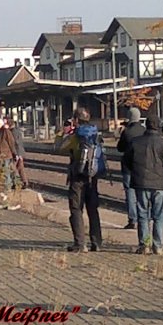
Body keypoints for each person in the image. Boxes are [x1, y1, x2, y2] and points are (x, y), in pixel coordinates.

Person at [123, 115, 163, 254]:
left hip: (140, 183)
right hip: (160, 184)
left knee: (142, 214)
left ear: (146, 125)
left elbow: (127, 161)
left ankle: (144, 244)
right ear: (159, 126)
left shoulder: (135, 142)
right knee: (159, 215)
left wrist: (136, 172)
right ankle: (158, 245)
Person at [58, 108, 104, 253]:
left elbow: (59, 147)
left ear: (76, 120)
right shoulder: (96, 135)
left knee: (76, 209)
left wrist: (63, 132)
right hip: (92, 177)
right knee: (93, 210)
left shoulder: (75, 136)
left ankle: (80, 243)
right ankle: (96, 242)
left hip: (77, 177)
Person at [116, 107, 146, 230]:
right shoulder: (145, 131)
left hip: (128, 167)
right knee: (142, 193)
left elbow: (120, 148)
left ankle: (132, 219)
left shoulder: (127, 132)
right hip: (142, 167)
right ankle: (143, 217)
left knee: (130, 193)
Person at [0, 118, 18, 197]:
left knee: (7, 172)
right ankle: (6, 187)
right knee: (3, 173)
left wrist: (14, 154)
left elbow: (11, 143)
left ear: (0, 124)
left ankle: (8, 189)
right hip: (0, 156)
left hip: (6, 155)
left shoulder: (6, 132)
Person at [8, 118, 28, 188]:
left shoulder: (13, 132)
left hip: (16, 154)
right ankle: (24, 182)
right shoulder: (17, 131)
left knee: (12, 168)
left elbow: (17, 143)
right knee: (20, 168)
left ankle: (14, 183)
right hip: (19, 153)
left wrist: (17, 154)